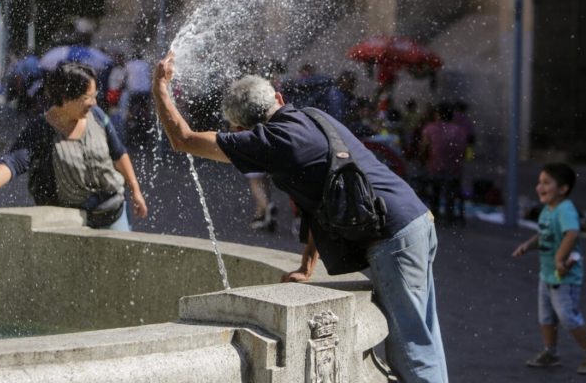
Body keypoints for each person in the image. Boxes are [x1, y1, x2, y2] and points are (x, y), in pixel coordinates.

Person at [151, 52, 447, 382]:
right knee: (425, 334)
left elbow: (183, 139)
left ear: (239, 128)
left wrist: (160, 87)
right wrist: (306, 267)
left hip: (392, 235)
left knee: (412, 349)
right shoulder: (312, 117)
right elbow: (321, 201)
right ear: (278, 98)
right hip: (414, 218)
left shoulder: (274, 143)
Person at [0, 62, 148, 231]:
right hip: (72, 221)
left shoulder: (97, 116)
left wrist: (136, 190)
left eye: (95, 96)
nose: (94, 102)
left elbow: (119, 153)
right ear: (66, 97)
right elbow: (13, 162)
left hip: (113, 211)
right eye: (87, 97)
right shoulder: (42, 129)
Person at [512, 163, 586, 375]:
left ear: (562, 189)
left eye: (546, 183)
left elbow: (571, 233)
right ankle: (550, 352)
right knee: (546, 317)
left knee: (567, 316)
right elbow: (544, 234)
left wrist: (560, 259)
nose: (539, 187)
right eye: (539, 182)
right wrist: (528, 245)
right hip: (547, 274)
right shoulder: (548, 209)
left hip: (565, 276)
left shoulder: (565, 210)